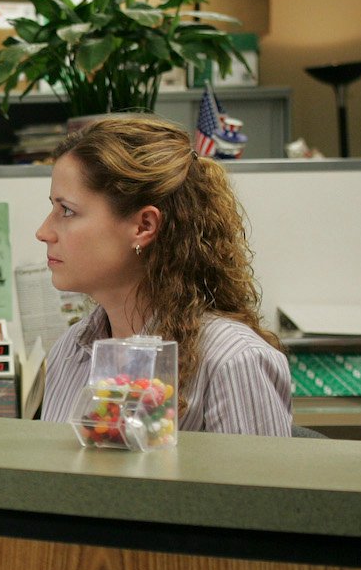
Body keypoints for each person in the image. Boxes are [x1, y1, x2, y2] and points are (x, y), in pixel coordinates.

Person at [36, 115, 291, 436]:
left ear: (143, 226)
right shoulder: (70, 351)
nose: (43, 232)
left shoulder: (234, 362)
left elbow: (258, 488)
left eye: (67, 211)